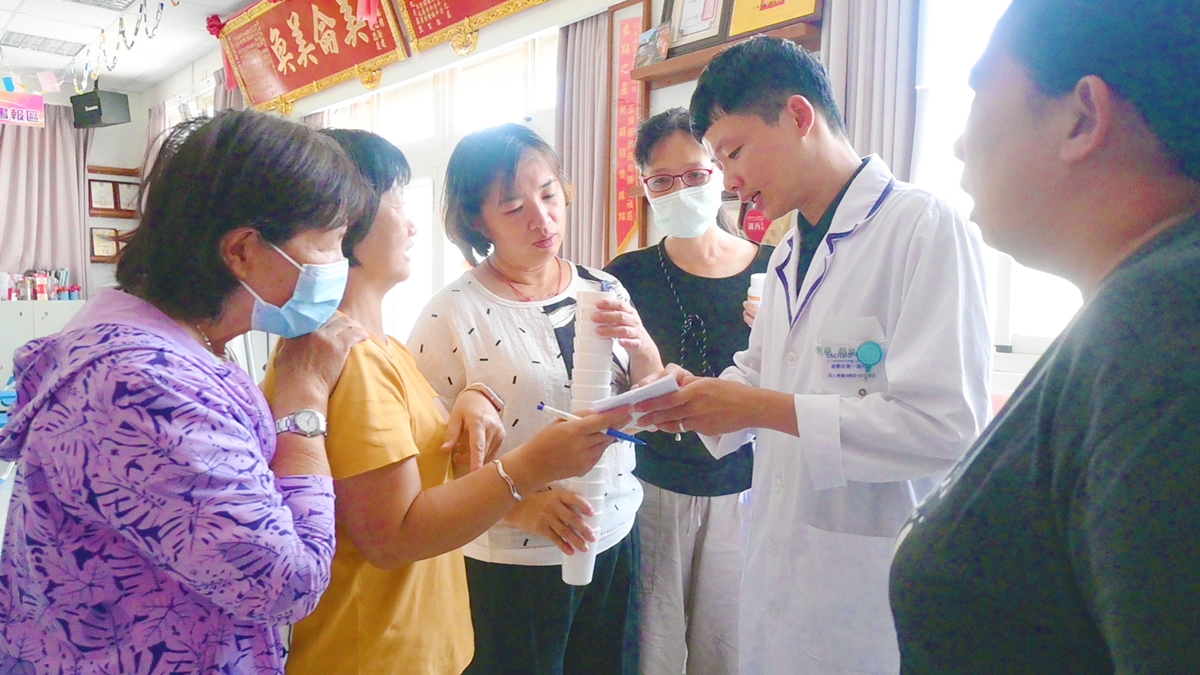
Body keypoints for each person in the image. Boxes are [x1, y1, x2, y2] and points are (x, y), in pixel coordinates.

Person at [635, 37, 993, 674]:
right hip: (780, 578)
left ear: (799, 116)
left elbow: (947, 428)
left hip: (865, 595)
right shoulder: (787, 256)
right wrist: (694, 398)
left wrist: (761, 408)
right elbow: (760, 375)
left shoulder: (922, 228)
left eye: (733, 152)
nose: (730, 181)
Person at [0, 110, 372, 674]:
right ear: (242, 250)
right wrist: (304, 401)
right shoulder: (144, 385)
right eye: (332, 244)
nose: (341, 266)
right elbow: (286, 585)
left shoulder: (177, 343)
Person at [889, 1, 1200, 672]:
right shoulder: (1134, 314)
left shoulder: (1164, 334)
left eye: (978, 93)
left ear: (1082, 117)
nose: (958, 145)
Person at [260, 129, 631, 675]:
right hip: (377, 652)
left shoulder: (380, 347)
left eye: (549, 194)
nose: (412, 225)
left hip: (417, 640)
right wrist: (531, 467)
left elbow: (421, 456)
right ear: (342, 222)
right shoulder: (351, 359)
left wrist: (469, 403)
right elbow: (394, 534)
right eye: (397, 202)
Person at [409, 123, 660, 674]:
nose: (542, 219)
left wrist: (645, 349)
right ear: (478, 221)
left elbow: (646, 398)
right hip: (513, 562)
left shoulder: (604, 287)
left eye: (549, 195)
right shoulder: (450, 314)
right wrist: (520, 505)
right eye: (514, 207)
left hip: (614, 533)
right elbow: (427, 458)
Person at [604, 108, 772, 675]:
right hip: (651, 489)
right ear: (645, 186)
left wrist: (781, 334)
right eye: (662, 180)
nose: (681, 191)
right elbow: (604, 388)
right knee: (648, 651)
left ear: (720, 171)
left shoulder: (776, 273)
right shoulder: (625, 277)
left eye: (696, 174)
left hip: (745, 491)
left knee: (729, 652)